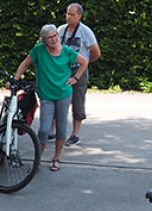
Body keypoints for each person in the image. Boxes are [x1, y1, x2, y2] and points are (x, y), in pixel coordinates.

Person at [13, 24, 88, 172]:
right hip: (46, 95)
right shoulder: (39, 51)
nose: (54, 39)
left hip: (63, 94)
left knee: (61, 127)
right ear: (44, 40)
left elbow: (84, 61)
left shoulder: (66, 51)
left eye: (55, 36)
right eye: (50, 38)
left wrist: (76, 78)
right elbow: (25, 64)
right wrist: (15, 79)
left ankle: (56, 158)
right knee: (44, 129)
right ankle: (38, 160)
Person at [54, 2, 100, 146]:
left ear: (79, 16)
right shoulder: (61, 30)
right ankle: (53, 131)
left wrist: (83, 65)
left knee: (77, 102)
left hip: (78, 71)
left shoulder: (86, 32)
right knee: (57, 98)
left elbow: (97, 53)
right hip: (62, 71)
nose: (68, 17)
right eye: (67, 13)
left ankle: (75, 134)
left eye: (72, 14)